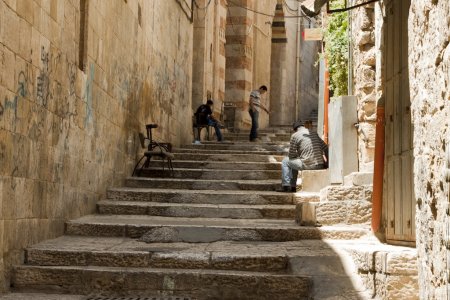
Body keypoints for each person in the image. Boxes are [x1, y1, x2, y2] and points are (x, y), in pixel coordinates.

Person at [279, 120, 328, 192]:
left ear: (295, 130)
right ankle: (293, 187)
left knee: (285, 161)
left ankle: (286, 185)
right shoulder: (314, 133)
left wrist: (297, 155)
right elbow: (326, 148)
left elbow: (291, 155)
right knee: (294, 162)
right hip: (320, 164)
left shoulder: (295, 135)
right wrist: (327, 163)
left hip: (309, 165)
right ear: (302, 126)